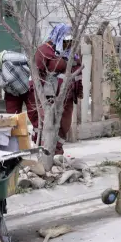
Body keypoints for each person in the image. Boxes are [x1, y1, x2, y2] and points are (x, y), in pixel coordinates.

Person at [34, 23, 83, 155]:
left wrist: (79, 90)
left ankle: (58, 151)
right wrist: (40, 98)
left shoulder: (74, 53)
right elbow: (37, 75)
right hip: (50, 96)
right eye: (66, 40)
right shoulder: (44, 51)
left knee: (64, 125)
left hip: (68, 95)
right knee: (50, 123)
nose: (69, 44)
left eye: (71, 41)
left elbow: (78, 72)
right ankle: (46, 152)